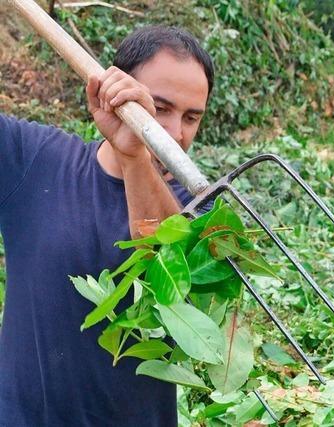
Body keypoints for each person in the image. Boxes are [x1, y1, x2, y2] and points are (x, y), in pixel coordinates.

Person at [0, 25, 213, 426]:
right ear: (113, 91)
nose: (175, 133)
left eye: (191, 117)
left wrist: (134, 158)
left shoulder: (200, 211)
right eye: (159, 108)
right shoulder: (31, 160)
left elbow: (169, 273)